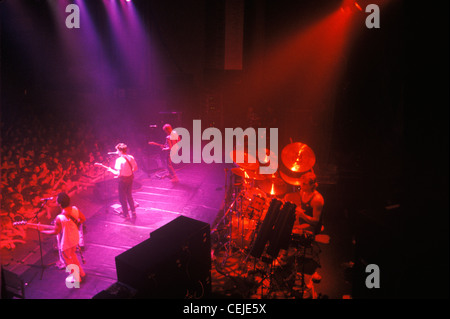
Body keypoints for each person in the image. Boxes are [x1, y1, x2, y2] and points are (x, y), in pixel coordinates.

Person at [39, 192, 86, 283]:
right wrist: (75, 225)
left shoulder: (59, 217)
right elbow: (83, 219)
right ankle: (82, 273)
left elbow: (55, 232)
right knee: (73, 256)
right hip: (75, 238)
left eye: (56, 200)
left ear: (59, 204)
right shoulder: (75, 209)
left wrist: (42, 231)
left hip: (66, 241)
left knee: (67, 260)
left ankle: (76, 278)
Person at [283, 171, 324, 236]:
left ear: (312, 185)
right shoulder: (303, 191)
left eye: (304, 184)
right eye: (301, 183)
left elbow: (316, 221)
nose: (301, 186)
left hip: (312, 226)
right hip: (303, 222)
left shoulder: (317, 199)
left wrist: (302, 215)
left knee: (287, 230)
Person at [107, 143, 138, 219]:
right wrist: (129, 172)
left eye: (117, 150)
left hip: (123, 180)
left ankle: (126, 215)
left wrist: (110, 170)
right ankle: (133, 212)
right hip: (130, 178)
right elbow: (135, 168)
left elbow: (118, 174)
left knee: (122, 198)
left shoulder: (119, 160)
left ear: (120, 151)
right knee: (129, 195)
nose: (116, 152)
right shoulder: (131, 157)